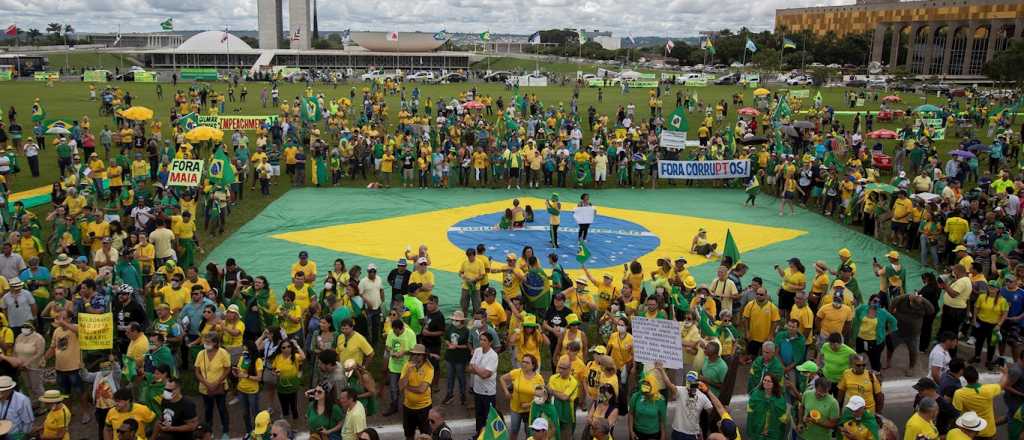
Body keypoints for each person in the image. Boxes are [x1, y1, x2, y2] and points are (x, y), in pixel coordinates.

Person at [193, 332, 230, 440]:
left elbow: (227, 369)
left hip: (220, 387)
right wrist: (206, 383)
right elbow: (197, 371)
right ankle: (209, 432)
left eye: (208, 342)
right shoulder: (201, 354)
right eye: (205, 341)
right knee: (208, 410)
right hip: (205, 388)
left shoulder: (223, 353)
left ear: (215, 343)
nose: (205, 343)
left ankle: (226, 431)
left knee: (222, 409)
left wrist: (217, 382)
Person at [500, 354, 545, 440]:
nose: (523, 364)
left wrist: (528, 404)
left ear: (533, 365)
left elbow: (542, 397)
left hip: (530, 410)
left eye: (527, 363)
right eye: (523, 361)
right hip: (515, 408)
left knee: (529, 433)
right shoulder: (517, 372)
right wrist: (506, 392)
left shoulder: (538, 379)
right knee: (513, 430)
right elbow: (502, 378)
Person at [951, 366, 1002, 439]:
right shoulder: (988, 389)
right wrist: (1005, 373)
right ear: (977, 377)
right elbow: (1002, 384)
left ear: (965, 378)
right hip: (989, 431)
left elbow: (957, 411)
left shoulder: (959, 393)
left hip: (971, 431)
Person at [851, 294, 897, 372]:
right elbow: (856, 319)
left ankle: (876, 377)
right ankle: (860, 374)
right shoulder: (862, 308)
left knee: (875, 361)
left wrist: (886, 333)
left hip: (875, 342)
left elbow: (894, 321)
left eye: (879, 302)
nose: (877, 303)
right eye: (875, 301)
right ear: (870, 301)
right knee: (859, 358)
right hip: (860, 339)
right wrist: (854, 334)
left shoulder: (883, 312)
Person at [399, 344, 433, 440]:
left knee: (425, 435)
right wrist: (408, 372)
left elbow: (421, 389)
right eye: (414, 354)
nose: (415, 356)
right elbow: (401, 387)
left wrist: (407, 386)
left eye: (418, 354)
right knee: (408, 434)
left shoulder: (429, 368)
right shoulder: (407, 366)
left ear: (423, 356)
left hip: (424, 408)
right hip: (408, 407)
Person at [468, 332, 498, 435]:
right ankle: (479, 434)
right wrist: (480, 371)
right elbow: (469, 368)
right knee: (479, 415)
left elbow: (485, 375)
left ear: (490, 342)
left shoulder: (493, 356)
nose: (481, 342)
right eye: (481, 339)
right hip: (477, 390)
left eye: (484, 340)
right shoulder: (477, 351)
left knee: (488, 416)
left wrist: (476, 367)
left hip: (488, 392)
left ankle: (489, 435)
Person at [747, 374, 788, 440]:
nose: (765, 382)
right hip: (758, 431)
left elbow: (782, 420)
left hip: (773, 433)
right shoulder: (756, 395)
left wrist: (770, 430)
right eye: (764, 380)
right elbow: (751, 415)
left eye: (769, 381)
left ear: (774, 384)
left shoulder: (780, 399)